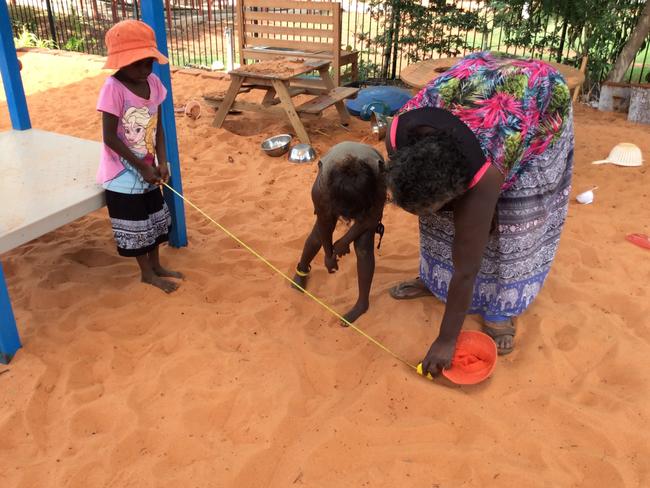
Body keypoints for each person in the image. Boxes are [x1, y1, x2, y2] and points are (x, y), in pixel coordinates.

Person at [386, 51, 574, 374]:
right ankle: (433, 280)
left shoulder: (488, 169)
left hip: (536, 100)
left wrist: (446, 340)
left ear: (461, 188)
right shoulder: (397, 133)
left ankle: (502, 308)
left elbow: (466, 269)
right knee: (444, 217)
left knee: (517, 217)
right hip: (479, 78)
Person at [97, 19, 182, 293]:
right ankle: (146, 273)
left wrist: (162, 161)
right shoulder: (113, 88)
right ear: (121, 62)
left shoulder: (153, 83)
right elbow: (109, 137)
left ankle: (157, 266)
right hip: (122, 177)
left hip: (148, 171)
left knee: (156, 223)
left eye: (150, 62)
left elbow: (157, 129)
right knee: (136, 230)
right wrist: (140, 167)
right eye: (139, 63)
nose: (146, 69)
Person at [292, 142, 387, 323]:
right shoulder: (321, 191)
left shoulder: (378, 180)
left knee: (364, 245)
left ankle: (362, 303)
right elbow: (323, 225)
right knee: (317, 236)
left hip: (367, 183)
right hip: (335, 181)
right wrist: (329, 254)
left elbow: (372, 217)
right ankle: (302, 269)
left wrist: (345, 241)